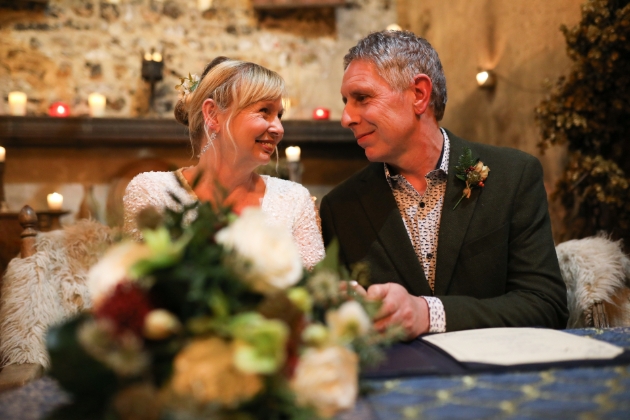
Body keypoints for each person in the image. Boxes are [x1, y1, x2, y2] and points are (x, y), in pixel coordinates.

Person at [320, 30, 568, 339]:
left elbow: (546, 305)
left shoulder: (513, 176)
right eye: (346, 102)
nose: (346, 118)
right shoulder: (340, 207)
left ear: (419, 94)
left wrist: (428, 314)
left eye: (362, 98)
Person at [124, 57, 324, 269]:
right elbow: (139, 283)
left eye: (279, 116)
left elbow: (315, 291)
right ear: (213, 115)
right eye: (264, 111)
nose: (279, 129)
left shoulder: (294, 199)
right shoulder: (152, 191)